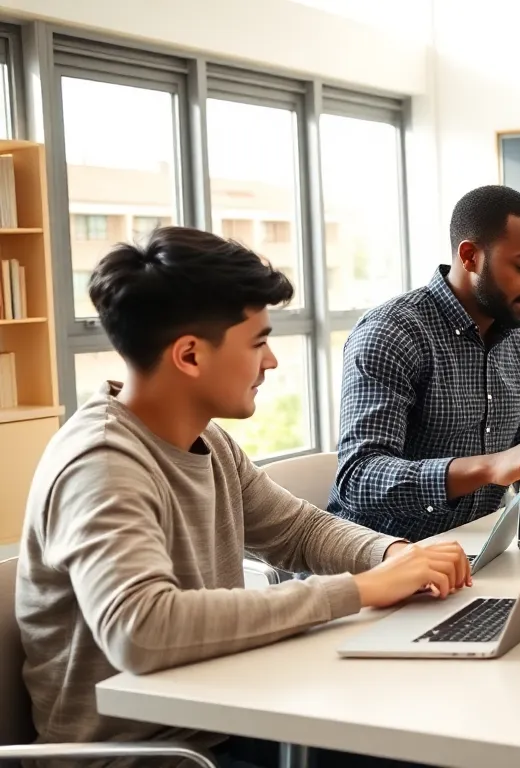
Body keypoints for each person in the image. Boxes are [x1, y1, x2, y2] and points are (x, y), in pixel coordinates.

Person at [16, 227, 470, 768]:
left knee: (418, 738)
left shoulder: (207, 439)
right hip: (142, 757)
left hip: (218, 718)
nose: (272, 361)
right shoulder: (101, 462)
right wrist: (361, 589)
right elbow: (141, 629)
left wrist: (395, 556)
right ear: (189, 356)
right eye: (258, 342)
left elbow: (300, 531)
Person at [328, 185, 520, 541]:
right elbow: (359, 478)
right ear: (470, 256)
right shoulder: (393, 333)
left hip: (477, 552)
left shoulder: (514, 342)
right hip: (380, 564)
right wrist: (490, 467)